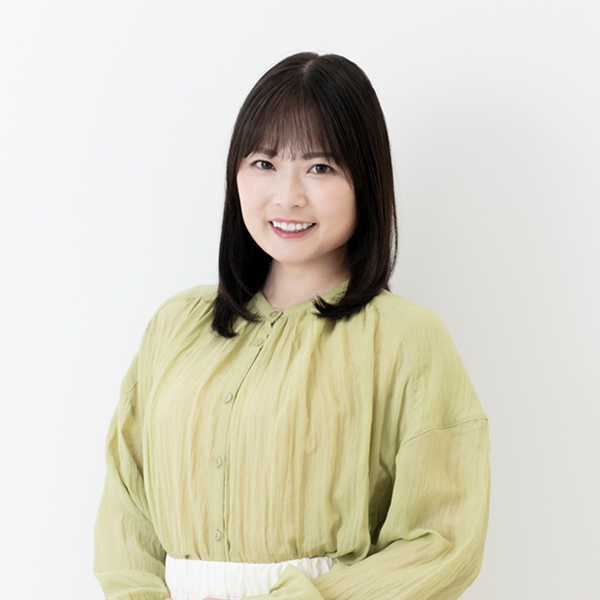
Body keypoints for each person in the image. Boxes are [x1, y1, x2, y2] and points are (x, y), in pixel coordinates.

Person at [94, 52, 491, 600]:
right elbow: (127, 505)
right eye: (264, 163)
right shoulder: (176, 325)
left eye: (320, 167)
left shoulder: (405, 339)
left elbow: (441, 541)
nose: (287, 196)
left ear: (365, 179)